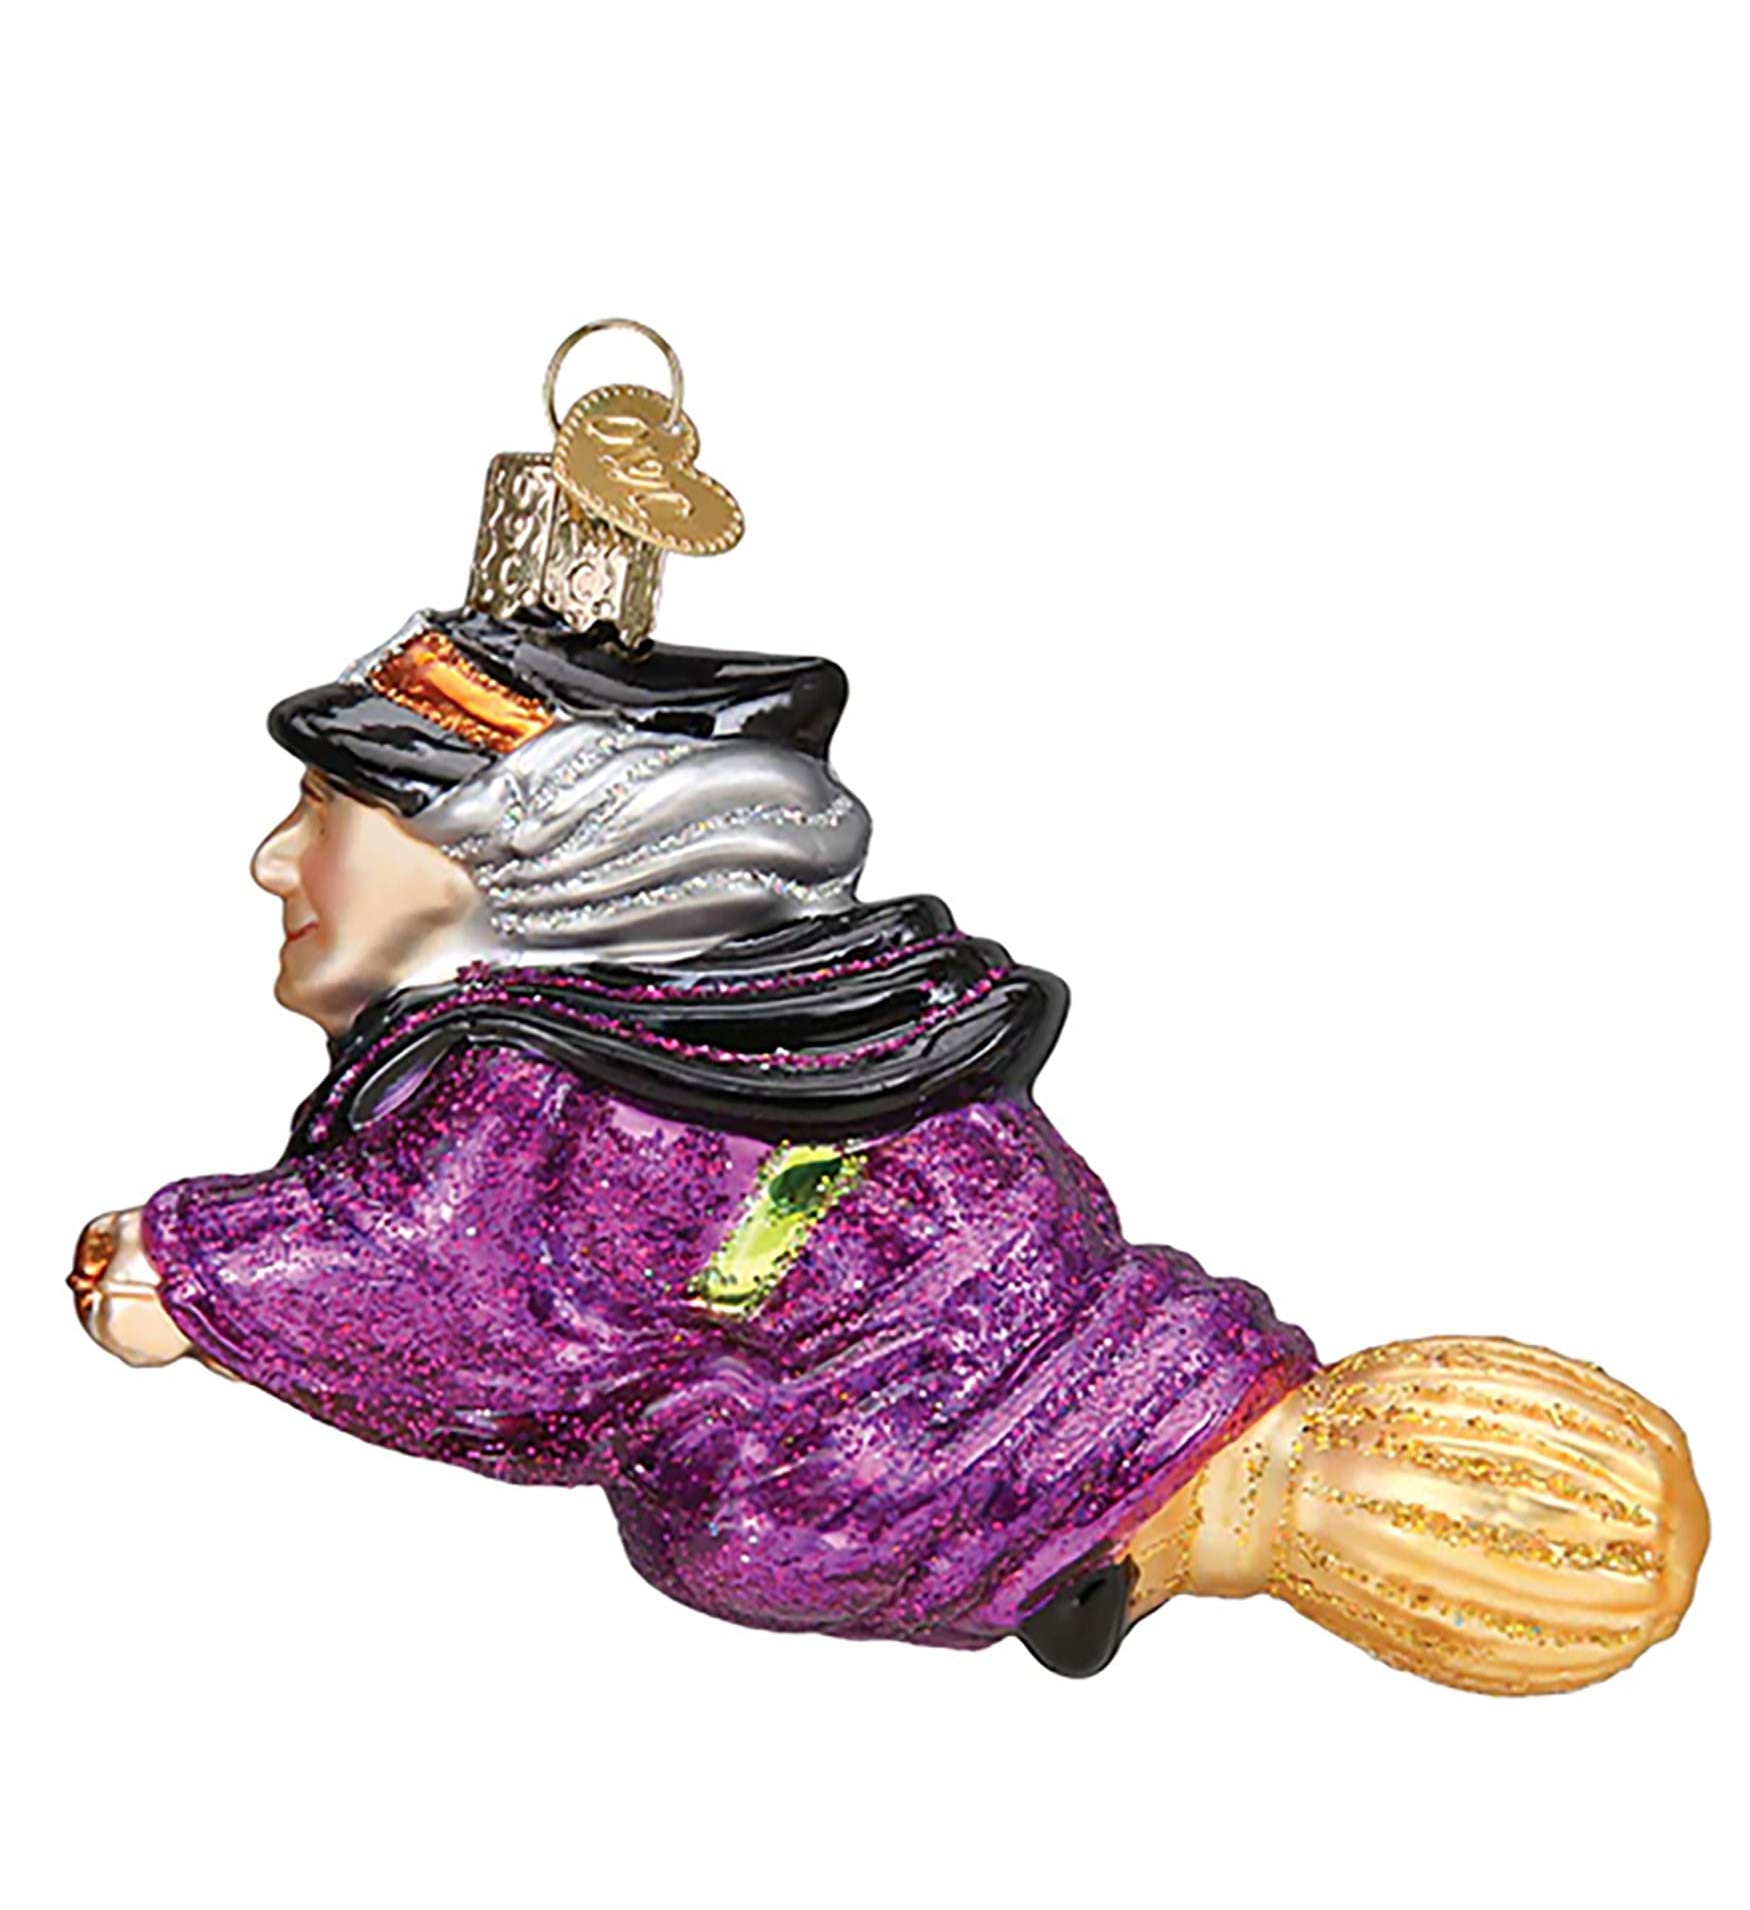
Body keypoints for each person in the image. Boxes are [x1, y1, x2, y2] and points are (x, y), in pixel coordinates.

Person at [72, 604, 1708, 1687]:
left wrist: (193, 1271)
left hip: (932, 1471)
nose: (273, 861)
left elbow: (467, 1294)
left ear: (512, 864)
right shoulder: (793, 1045)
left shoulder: (582, 1095)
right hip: (1014, 1460)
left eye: (329, 816)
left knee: (716, 1524)